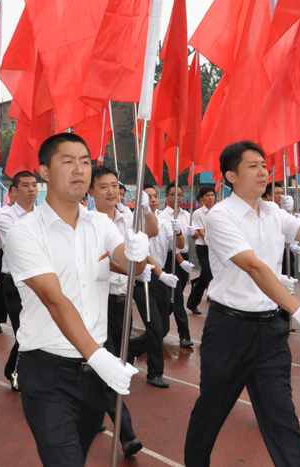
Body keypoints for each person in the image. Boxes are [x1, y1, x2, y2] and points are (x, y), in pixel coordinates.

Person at [183, 141, 300, 466]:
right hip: (230, 330)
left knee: (282, 416)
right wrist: (299, 309)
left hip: (271, 331)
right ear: (231, 175)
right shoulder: (220, 216)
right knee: (211, 412)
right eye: (253, 166)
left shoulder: (274, 212)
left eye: (264, 165)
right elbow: (253, 266)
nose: (263, 171)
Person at [4, 133, 149, 467]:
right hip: (48, 372)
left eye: (85, 161)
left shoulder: (100, 223)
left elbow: (130, 264)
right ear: (44, 171)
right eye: (68, 161)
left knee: (77, 456)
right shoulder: (25, 232)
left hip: (93, 377)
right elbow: (55, 299)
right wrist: (99, 356)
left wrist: (138, 252)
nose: (79, 169)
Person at [89, 165, 158, 457]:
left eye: (115, 185)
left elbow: (151, 231)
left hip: (122, 302)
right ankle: (127, 435)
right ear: (90, 192)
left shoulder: (127, 217)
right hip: (97, 303)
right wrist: (133, 269)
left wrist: (146, 208)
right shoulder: (88, 223)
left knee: (111, 362)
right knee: (108, 368)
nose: (111, 191)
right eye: (103, 186)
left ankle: (92, 411)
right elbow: (102, 260)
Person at [128, 185, 184, 389]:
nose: (152, 199)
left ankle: (130, 347)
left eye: (154, 196)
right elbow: (143, 253)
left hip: (162, 280)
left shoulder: (164, 222)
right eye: (147, 197)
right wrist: (160, 273)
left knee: (163, 329)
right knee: (155, 327)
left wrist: (178, 231)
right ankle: (155, 372)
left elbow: (179, 246)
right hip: (144, 279)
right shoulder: (134, 221)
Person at [0, 171, 39, 389]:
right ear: (13, 191)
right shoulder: (5, 215)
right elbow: (17, 245)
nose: (32, 189)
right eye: (26, 185)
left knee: (35, 329)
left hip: (38, 281)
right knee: (23, 329)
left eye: (34, 185)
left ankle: (14, 368)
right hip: (15, 281)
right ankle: (17, 372)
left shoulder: (43, 214)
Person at [158, 183, 197, 348]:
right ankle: (184, 335)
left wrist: (194, 233)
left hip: (185, 257)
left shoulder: (187, 215)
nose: (177, 198)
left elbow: (193, 237)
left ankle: (158, 329)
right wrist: (181, 261)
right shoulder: (163, 216)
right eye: (174, 194)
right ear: (166, 196)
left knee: (173, 299)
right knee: (178, 298)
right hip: (171, 258)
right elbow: (169, 245)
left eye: (180, 195)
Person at [0, 184, 16, 334]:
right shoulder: (1, 213)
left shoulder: (33, 212)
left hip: (21, 254)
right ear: (11, 194)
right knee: (0, 287)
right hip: (3, 253)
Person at [186, 186, 216, 314]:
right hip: (203, 248)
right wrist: (214, 242)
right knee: (210, 276)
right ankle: (216, 307)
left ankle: (191, 303)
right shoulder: (198, 213)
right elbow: (201, 233)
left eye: (212, 195)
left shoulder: (218, 211)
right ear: (202, 198)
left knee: (204, 278)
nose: (210, 198)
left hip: (215, 249)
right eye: (207, 195)